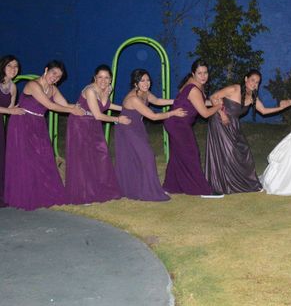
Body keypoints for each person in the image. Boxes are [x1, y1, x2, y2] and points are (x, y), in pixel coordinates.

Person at [5, 60, 85, 210]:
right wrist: (71, 110)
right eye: (54, 73)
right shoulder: (33, 85)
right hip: (22, 122)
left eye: (58, 77)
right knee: (26, 159)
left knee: (43, 157)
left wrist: (80, 107)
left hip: (38, 123)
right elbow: (50, 106)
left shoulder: (53, 89)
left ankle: (41, 192)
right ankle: (25, 195)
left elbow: (65, 104)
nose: (55, 78)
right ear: (46, 69)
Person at [205, 69, 286, 194]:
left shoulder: (253, 97)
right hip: (220, 121)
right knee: (229, 152)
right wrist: (222, 114)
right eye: (252, 80)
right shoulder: (235, 88)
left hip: (233, 125)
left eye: (257, 82)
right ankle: (223, 183)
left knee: (244, 151)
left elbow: (264, 111)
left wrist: (281, 108)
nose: (254, 84)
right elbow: (214, 97)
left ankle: (244, 182)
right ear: (246, 79)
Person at [115, 69, 187, 201]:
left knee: (139, 158)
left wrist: (177, 100)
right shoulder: (134, 99)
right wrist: (173, 112)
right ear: (135, 83)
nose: (146, 83)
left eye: (147, 80)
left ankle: (137, 188)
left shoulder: (145, 92)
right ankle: (148, 192)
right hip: (127, 129)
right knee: (147, 157)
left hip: (137, 126)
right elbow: (153, 117)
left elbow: (158, 101)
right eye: (142, 80)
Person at [65, 64, 131, 205]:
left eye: (106, 77)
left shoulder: (108, 89)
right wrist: (118, 119)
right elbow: (98, 115)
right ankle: (82, 195)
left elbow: (106, 105)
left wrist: (128, 109)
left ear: (111, 80)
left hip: (93, 124)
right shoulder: (90, 91)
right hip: (80, 124)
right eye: (100, 77)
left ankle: (102, 189)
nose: (103, 80)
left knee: (101, 155)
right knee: (83, 159)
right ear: (95, 78)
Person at [163, 59, 222, 197]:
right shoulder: (194, 89)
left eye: (205, 73)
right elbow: (205, 113)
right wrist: (219, 106)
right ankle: (203, 190)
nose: (203, 76)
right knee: (192, 153)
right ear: (193, 73)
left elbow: (197, 103)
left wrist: (212, 102)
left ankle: (171, 186)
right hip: (178, 124)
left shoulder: (192, 83)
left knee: (177, 156)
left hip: (174, 122)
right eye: (199, 73)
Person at [0, 55, 25, 206]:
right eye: (10, 65)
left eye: (16, 67)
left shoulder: (13, 87)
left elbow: (10, 109)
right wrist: (10, 111)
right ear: (3, 66)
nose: (13, 69)